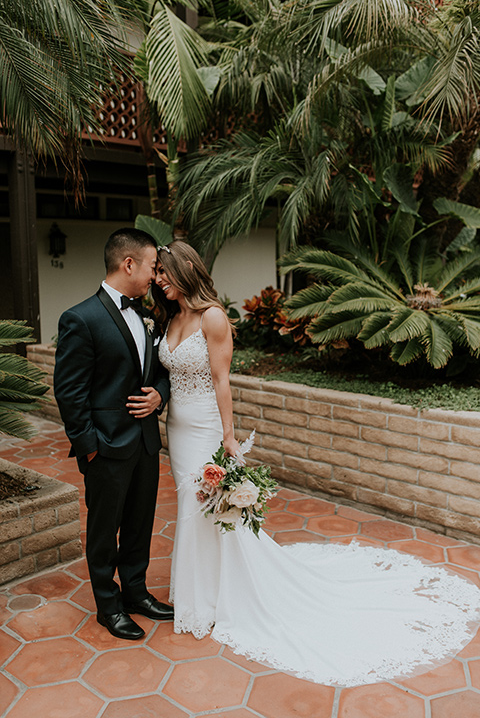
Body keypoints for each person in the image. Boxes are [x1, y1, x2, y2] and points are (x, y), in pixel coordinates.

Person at [154, 240, 480, 686]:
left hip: (207, 428)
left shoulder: (212, 317)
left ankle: (210, 601)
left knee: (202, 509)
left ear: (184, 270)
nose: (158, 280)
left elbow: (221, 380)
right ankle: (203, 594)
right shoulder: (169, 318)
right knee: (193, 511)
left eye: (163, 273)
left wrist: (229, 437)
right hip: (175, 428)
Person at [54, 227, 173, 641]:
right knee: (105, 531)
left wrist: (159, 394)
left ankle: (136, 593)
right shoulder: (79, 318)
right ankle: (109, 605)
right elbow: (69, 393)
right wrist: (89, 448)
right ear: (129, 264)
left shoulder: (149, 316)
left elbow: (161, 372)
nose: (156, 277)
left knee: (140, 523)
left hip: (144, 443)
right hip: (104, 448)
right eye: (153, 267)